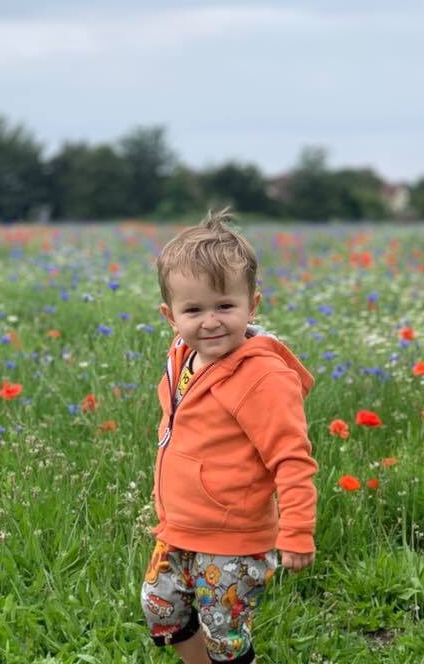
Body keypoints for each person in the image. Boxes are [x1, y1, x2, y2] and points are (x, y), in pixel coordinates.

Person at [140, 210, 318, 664]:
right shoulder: (183, 358)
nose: (211, 322)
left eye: (225, 306)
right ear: (170, 316)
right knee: (161, 607)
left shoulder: (261, 378)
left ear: (252, 305)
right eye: (194, 310)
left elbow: (292, 459)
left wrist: (296, 532)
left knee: (226, 635)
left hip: (232, 537)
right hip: (178, 525)